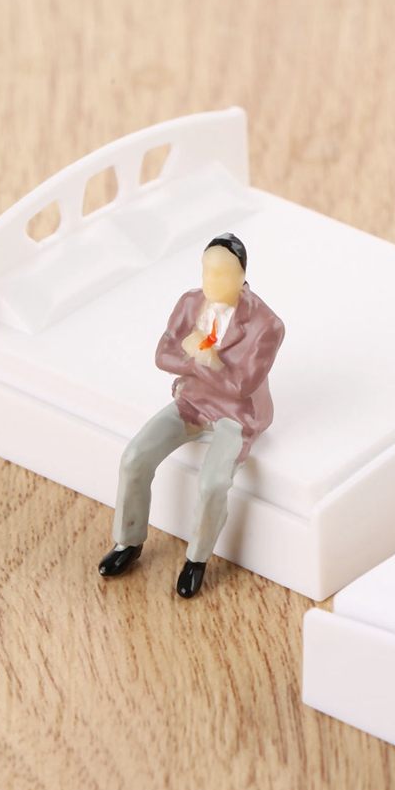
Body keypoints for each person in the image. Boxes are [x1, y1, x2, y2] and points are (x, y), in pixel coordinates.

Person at [98, 233, 285, 597]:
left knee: (212, 483)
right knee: (135, 456)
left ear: (242, 276)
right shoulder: (190, 303)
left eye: (222, 273)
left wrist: (202, 359)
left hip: (236, 415)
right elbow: (162, 356)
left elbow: (241, 385)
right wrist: (199, 361)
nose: (211, 280)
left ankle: (196, 560)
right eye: (206, 271)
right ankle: (128, 541)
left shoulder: (268, 325)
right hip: (192, 402)